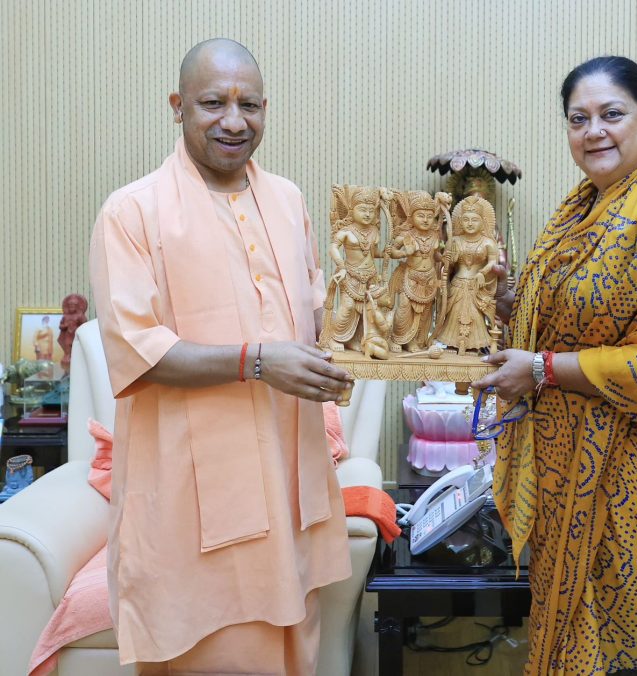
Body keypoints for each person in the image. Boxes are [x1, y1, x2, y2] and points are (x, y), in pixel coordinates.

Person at [89, 39, 353, 675]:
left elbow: (321, 313)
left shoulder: (288, 200)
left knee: (296, 651)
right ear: (178, 106)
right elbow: (139, 351)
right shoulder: (132, 211)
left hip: (291, 488)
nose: (234, 121)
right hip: (191, 500)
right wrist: (258, 362)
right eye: (214, 103)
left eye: (249, 105)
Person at [473, 56, 637, 673]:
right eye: (578, 119)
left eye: (612, 114)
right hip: (570, 461)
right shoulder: (583, 207)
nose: (594, 132)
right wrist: (512, 303)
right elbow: (570, 314)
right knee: (574, 640)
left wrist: (540, 369)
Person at [322, 185, 388, 352]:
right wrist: (341, 266)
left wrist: (386, 253)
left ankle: (354, 339)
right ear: (352, 211)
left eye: (371, 211)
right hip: (350, 274)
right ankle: (335, 337)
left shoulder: (374, 231)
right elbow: (333, 248)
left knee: (367, 309)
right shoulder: (346, 231)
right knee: (348, 306)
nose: (367, 214)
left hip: (370, 276)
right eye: (363, 210)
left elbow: (373, 253)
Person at [432, 195, 499, 355]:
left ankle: (474, 345)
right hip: (457, 284)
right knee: (453, 315)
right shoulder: (454, 240)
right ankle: (452, 344)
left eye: (474, 220)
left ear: (483, 221)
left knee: (475, 315)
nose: (469, 223)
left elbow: (493, 263)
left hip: (476, 286)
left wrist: (483, 272)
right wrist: (447, 261)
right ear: (460, 221)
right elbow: (447, 265)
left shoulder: (488, 242)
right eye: (466, 220)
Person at [386, 190, 449, 353]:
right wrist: (403, 253)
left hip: (429, 278)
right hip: (410, 277)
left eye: (429, 216)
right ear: (412, 217)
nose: (426, 220)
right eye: (421, 216)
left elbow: (435, 255)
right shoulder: (406, 235)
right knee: (404, 308)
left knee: (425, 313)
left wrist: (443, 258)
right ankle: (398, 338)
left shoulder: (435, 236)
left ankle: (415, 341)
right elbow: (391, 251)